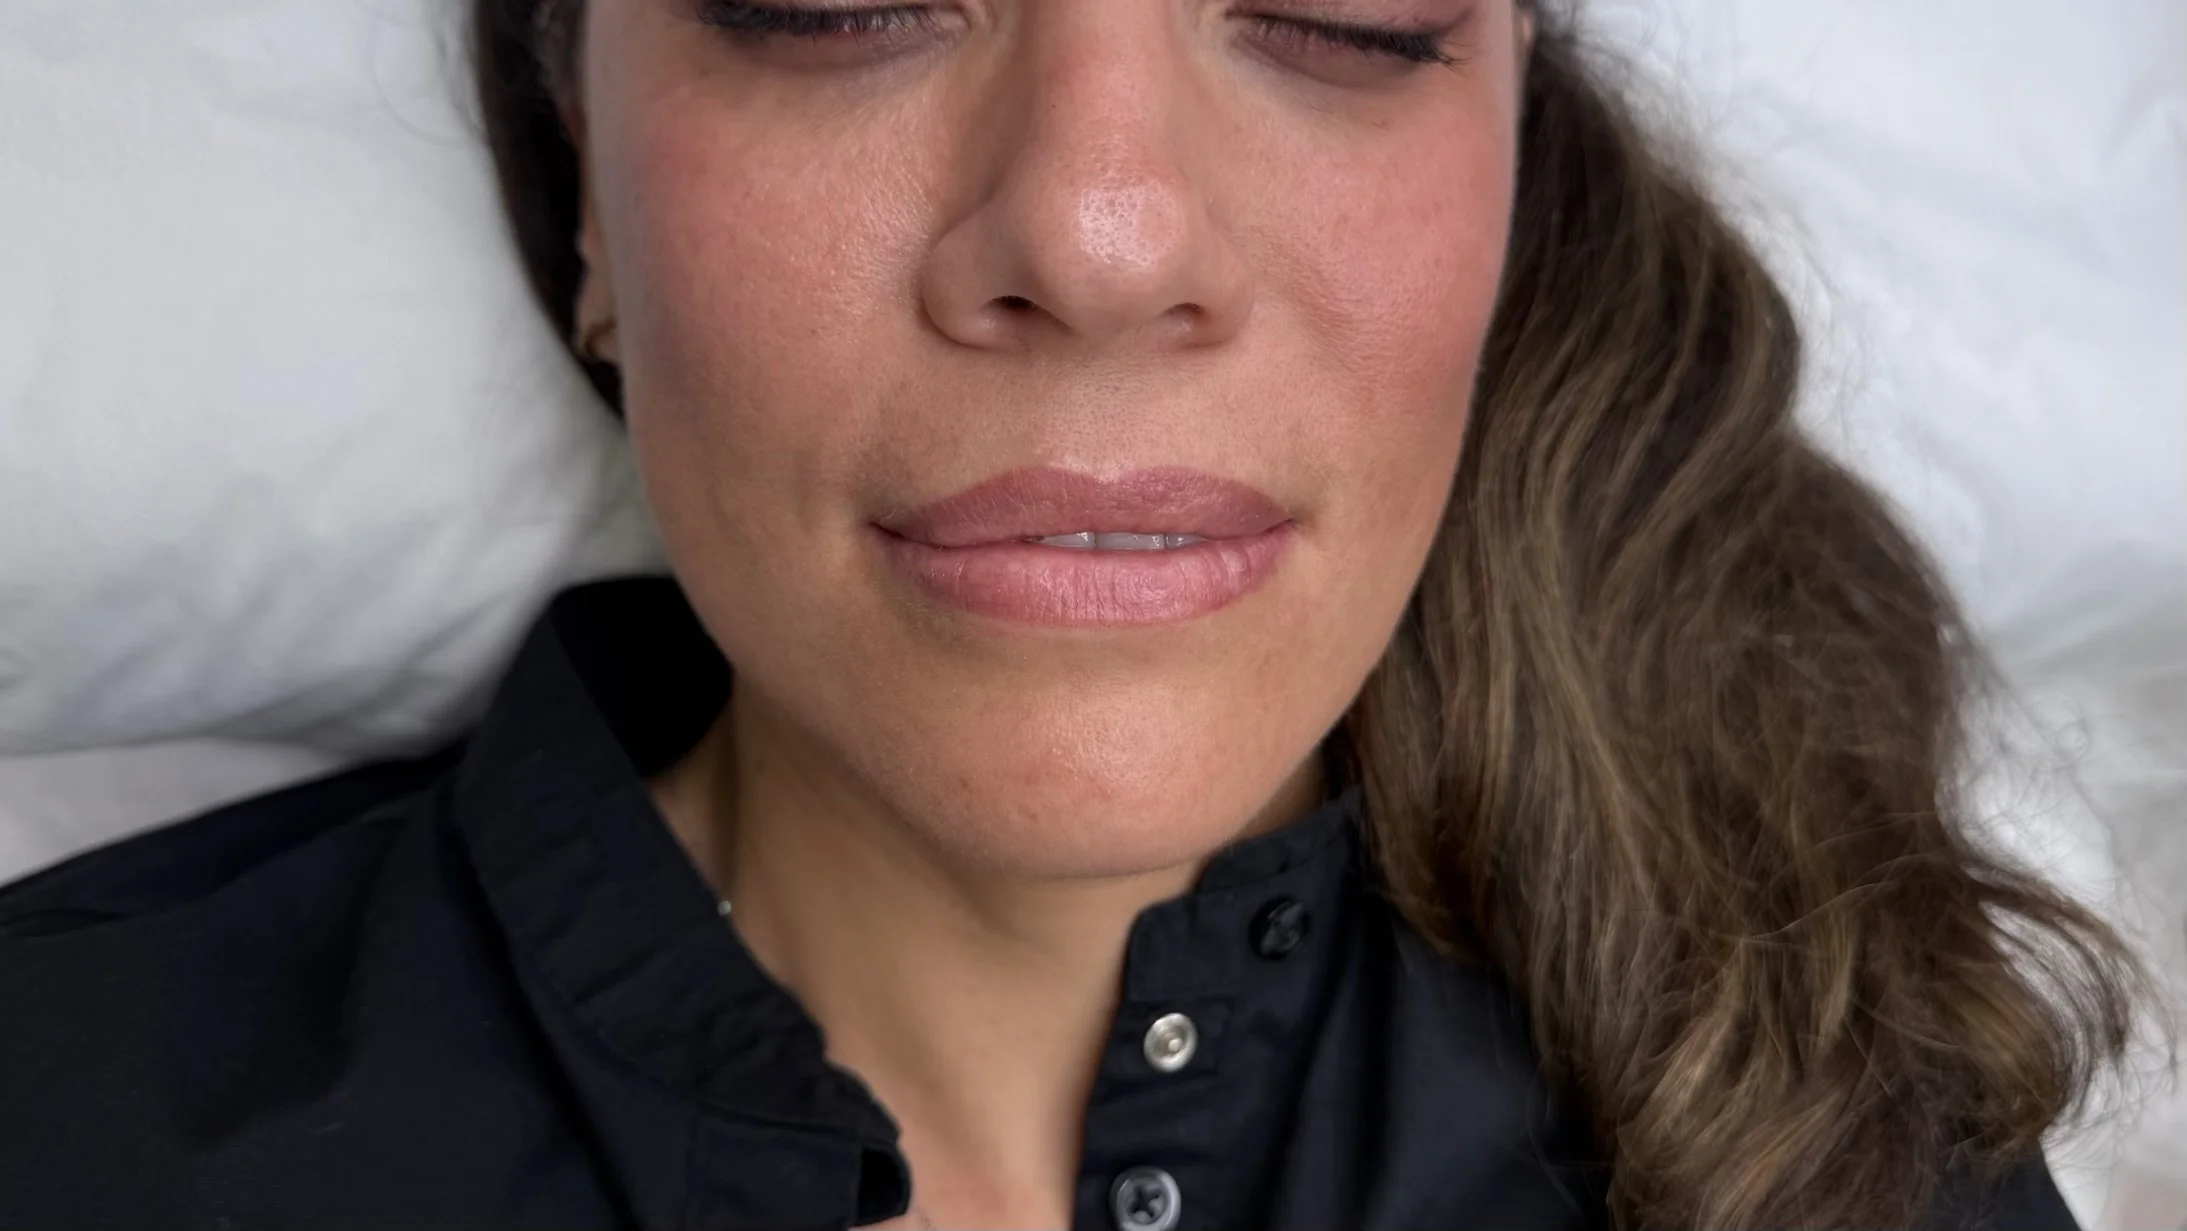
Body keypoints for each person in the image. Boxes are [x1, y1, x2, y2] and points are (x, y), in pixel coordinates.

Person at [0, 1, 2146, 1228]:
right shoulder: (65, 1123)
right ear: (584, 192)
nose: (1102, 235)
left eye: (1336, 3)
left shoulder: (1832, 1100)